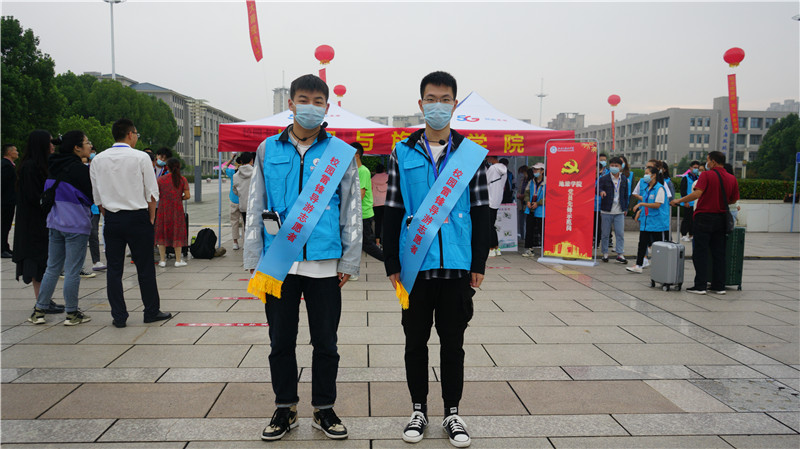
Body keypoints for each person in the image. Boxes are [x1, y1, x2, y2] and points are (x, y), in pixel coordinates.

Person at [244, 74, 361, 441]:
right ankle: (285, 407)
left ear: (327, 107)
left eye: (318, 101)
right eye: (304, 100)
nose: (311, 107)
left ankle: (324, 408)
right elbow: (255, 203)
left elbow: (352, 208)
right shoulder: (268, 149)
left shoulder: (340, 153)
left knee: (326, 342)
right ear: (291, 103)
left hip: (324, 263)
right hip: (278, 262)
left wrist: (349, 260)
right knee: (280, 341)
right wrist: (253, 257)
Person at [383, 71, 489, 448]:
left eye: (445, 99)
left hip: (457, 264)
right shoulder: (402, 151)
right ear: (421, 104)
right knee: (415, 341)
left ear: (455, 104)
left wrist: (479, 263)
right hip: (415, 266)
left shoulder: (470, 155)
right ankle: (418, 410)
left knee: (453, 343)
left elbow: (482, 211)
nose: (438, 105)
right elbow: (393, 209)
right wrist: (391, 262)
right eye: (431, 99)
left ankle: (452, 413)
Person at [90, 118, 171, 327]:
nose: (136, 137)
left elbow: (97, 197)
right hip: (138, 217)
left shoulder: (98, 160)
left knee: (114, 269)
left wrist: (109, 215)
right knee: (145, 267)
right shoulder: (141, 157)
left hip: (112, 218)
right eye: (136, 134)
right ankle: (151, 311)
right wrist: (151, 217)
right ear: (130, 134)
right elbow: (151, 192)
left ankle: (119, 316)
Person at [28, 131, 94, 325]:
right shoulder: (80, 170)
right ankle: (72, 313)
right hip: (75, 224)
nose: (90, 145)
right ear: (77, 148)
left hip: (55, 223)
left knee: (52, 268)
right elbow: (91, 197)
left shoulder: (53, 165)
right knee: (73, 271)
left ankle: (39, 311)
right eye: (87, 142)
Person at [670, 151, 740, 294]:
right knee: (719, 253)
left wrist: (679, 200)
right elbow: (733, 199)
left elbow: (697, 193)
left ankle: (700, 285)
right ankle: (719, 286)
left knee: (700, 252)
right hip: (721, 218)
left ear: (713, 162)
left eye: (708, 160)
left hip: (704, 217)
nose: (706, 163)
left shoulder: (706, 175)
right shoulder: (732, 178)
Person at [13, 130, 65, 314]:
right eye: (49, 142)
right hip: (33, 223)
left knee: (44, 261)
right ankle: (41, 301)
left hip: (39, 221)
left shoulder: (38, 165)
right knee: (37, 262)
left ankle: (45, 299)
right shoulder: (30, 167)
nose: (52, 145)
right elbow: (34, 197)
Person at [626, 166, 668, 273]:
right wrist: (639, 212)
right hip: (646, 222)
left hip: (657, 223)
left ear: (654, 175)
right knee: (642, 244)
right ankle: (638, 265)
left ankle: (660, 268)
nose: (645, 176)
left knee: (658, 247)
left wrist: (641, 204)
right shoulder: (647, 188)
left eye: (647, 173)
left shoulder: (659, 188)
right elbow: (647, 202)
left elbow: (657, 205)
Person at [155, 158, 190, 267]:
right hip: (177, 209)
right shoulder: (182, 179)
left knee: (162, 233)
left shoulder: (160, 180)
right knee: (177, 232)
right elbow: (187, 196)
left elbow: (155, 194)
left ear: (167, 167)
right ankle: (178, 260)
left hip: (163, 209)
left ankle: (162, 260)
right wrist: (178, 198)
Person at [353, 142, 384, 262]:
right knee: (356, 243)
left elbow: (360, 194)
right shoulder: (355, 170)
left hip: (363, 214)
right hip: (359, 213)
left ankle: (389, 261)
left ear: (356, 155)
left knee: (367, 244)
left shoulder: (363, 171)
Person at [598, 157, 629, 264]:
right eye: (612, 165)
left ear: (620, 167)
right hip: (606, 210)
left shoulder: (623, 179)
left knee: (620, 233)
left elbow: (625, 194)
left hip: (619, 211)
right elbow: (597, 188)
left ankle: (620, 254)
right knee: (605, 233)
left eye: (616, 166)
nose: (614, 167)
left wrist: (625, 208)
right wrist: (601, 191)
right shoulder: (604, 178)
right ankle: (605, 253)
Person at [86, 147, 106, 271]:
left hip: (95, 206)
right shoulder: (81, 168)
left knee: (93, 233)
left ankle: (96, 261)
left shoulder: (97, 168)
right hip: (83, 206)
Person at [521, 163, 545, 257]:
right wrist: (527, 201)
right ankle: (528, 249)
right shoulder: (531, 181)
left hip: (541, 210)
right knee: (529, 229)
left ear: (542, 171)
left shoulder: (547, 182)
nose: (535, 171)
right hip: (530, 209)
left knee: (542, 230)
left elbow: (550, 196)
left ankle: (545, 250)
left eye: (537, 169)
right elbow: (527, 193)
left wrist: (538, 203)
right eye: (534, 169)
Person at [486, 154, 507, 257]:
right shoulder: (504, 169)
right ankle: (496, 247)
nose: (487, 159)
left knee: (489, 226)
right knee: (492, 224)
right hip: (497, 199)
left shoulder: (492, 168)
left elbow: (485, 181)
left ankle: (491, 248)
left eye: (488, 157)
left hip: (490, 199)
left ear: (492, 158)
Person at [2, 143, 19, 258]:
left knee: (7, 225)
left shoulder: (9, 165)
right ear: (9, 152)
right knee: (4, 225)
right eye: (15, 150)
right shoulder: (6, 166)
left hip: (8, 201)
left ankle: (5, 246)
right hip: (6, 201)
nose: (17, 153)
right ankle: (2, 248)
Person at [223, 153, 243, 250]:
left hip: (234, 200)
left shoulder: (232, 172)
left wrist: (231, 158)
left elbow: (224, 168)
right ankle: (245, 242)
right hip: (244, 200)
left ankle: (235, 242)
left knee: (234, 222)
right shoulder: (250, 172)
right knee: (245, 222)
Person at [679, 160, 701, 242]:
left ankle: (691, 234)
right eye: (694, 167)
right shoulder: (686, 178)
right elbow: (683, 190)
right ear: (690, 168)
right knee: (687, 219)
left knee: (693, 219)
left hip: (695, 203)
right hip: (688, 202)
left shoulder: (698, 178)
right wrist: (685, 201)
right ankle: (684, 234)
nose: (696, 169)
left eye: (697, 168)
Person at [232, 152, 254, 224]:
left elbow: (235, 191)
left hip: (243, 206)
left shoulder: (235, 175)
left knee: (246, 227)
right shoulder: (256, 172)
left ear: (241, 161)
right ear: (252, 160)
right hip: (255, 206)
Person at [371, 163, 388, 245]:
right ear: (384, 169)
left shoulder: (372, 179)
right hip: (386, 203)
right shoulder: (388, 177)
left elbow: (370, 191)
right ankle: (386, 241)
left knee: (378, 223)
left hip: (376, 203)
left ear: (375, 170)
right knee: (386, 222)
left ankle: (377, 242)